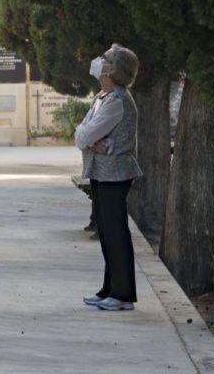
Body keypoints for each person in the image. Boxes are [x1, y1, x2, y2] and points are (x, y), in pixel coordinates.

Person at [74, 44, 143, 311]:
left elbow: (85, 135)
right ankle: (110, 289)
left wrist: (87, 138)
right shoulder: (104, 97)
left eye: (105, 59)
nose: (99, 60)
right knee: (107, 231)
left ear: (114, 70)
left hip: (115, 174)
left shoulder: (118, 101)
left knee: (116, 232)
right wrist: (88, 140)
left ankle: (123, 295)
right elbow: (82, 133)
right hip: (102, 172)